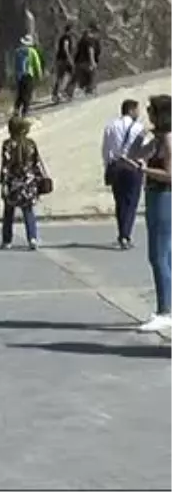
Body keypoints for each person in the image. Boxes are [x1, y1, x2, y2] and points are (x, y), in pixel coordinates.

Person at [120, 95, 172, 332]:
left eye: (152, 110)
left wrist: (145, 170)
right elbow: (134, 154)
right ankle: (166, 306)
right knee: (165, 254)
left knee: (158, 254)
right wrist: (140, 134)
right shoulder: (158, 139)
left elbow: (170, 175)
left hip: (164, 195)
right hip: (154, 195)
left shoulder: (169, 141)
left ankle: (165, 310)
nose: (149, 114)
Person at [0, 116, 49, 250]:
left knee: (9, 212)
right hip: (29, 182)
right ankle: (32, 238)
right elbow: (36, 163)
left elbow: (5, 166)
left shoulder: (7, 144)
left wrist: (3, 183)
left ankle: (7, 240)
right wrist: (39, 181)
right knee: (28, 211)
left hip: (12, 183)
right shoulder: (30, 144)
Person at [101, 99, 145, 250]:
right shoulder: (138, 128)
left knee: (119, 202)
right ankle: (126, 234)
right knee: (131, 202)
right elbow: (142, 150)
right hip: (133, 167)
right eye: (137, 110)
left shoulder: (111, 126)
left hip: (116, 167)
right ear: (131, 110)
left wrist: (107, 166)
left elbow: (106, 149)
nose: (139, 113)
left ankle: (122, 233)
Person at [13, 34, 43, 117]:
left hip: (19, 75)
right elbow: (37, 64)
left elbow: (15, 64)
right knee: (28, 93)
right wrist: (39, 74)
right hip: (29, 74)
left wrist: (15, 75)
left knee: (20, 93)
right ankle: (25, 111)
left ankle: (16, 108)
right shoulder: (32, 51)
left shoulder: (17, 51)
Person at [73, 24, 101, 97]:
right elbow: (90, 50)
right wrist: (92, 62)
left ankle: (83, 91)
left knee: (84, 79)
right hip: (87, 62)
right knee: (94, 75)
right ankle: (90, 91)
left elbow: (76, 51)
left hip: (79, 63)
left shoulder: (81, 41)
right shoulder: (90, 40)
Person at [52, 24, 75, 103]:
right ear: (70, 30)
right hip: (64, 60)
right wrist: (69, 58)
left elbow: (58, 49)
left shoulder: (61, 37)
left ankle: (56, 94)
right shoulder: (67, 37)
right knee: (70, 75)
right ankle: (63, 92)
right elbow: (66, 47)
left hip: (59, 59)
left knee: (60, 77)